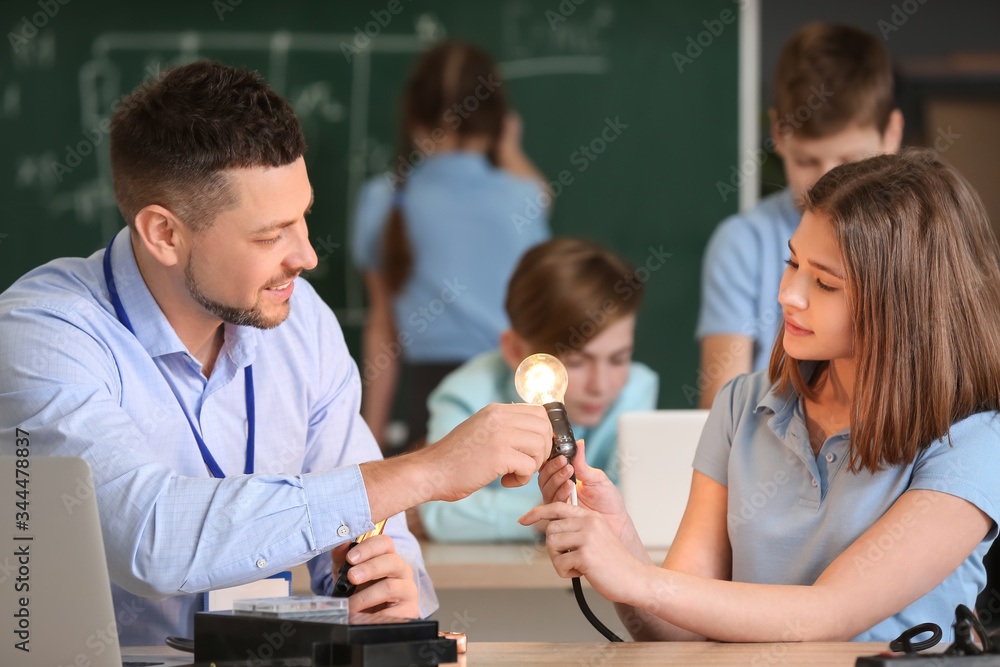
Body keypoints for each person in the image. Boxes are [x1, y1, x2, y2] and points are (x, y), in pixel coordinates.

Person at [0, 60, 553, 646]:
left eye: (304, 218)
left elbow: (372, 533)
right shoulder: (42, 333)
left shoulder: (301, 321)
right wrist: (430, 469)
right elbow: (150, 540)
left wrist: (384, 588)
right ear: (164, 233)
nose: (307, 256)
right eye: (269, 236)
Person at [523, 150, 1000, 642]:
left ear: (903, 302)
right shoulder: (741, 406)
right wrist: (621, 544)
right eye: (793, 262)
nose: (789, 294)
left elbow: (827, 614)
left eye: (825, 283)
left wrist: (641, 580)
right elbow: (677, 630)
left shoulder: (973, 442)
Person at [350, 40, 551, 453]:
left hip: (426, 405)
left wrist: (368, 442)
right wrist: (510, 150)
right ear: (499, 121)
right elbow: (543, 198)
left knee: (430, 514)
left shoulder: (383, 199)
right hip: (512, 395)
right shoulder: (523, 198)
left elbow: (382, 331)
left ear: (413, 116)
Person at [696, 22, 903, 408]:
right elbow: (719, 412)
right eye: (807, 161)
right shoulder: (743, 243)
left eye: (850, 161)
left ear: (892, 133)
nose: (830, 182)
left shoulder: (922, 240)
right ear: (778, 133)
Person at [419, 238, 659, 542]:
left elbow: (640, 505)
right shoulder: (465, 395)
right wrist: (552, 512)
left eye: (618, 359)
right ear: (516, 349)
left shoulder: (636, 388)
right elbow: (440, 512)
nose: (600, 385)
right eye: (577, 362)